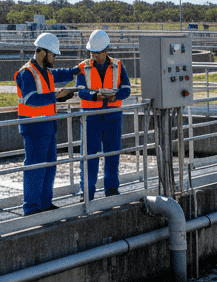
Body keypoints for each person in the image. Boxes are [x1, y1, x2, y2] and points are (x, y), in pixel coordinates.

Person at [15, 32, 79, 215]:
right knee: (35, 167)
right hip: (34, 127)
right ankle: (31, 207)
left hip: (48, 126)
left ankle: (44, 203)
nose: (54, 58)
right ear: (42, 53)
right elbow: (30, 99)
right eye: (53, 55)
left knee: (49, 166)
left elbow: (60, 75)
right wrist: (56, 96)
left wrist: (77, 70)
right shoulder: (26, 73)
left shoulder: (46, 72)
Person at [75, 29, 131, 199]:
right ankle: (87, 193)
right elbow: (80, 90)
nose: (95, 56)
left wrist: (116, 95)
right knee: (89, 157)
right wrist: (94, 96)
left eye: (98, 53)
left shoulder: (118, 65)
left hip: (113, 115)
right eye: (92, 53)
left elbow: (127, 88)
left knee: (112, 154)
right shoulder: (83, 67)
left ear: (105, 51)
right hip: (91, 116)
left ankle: (112, 190)